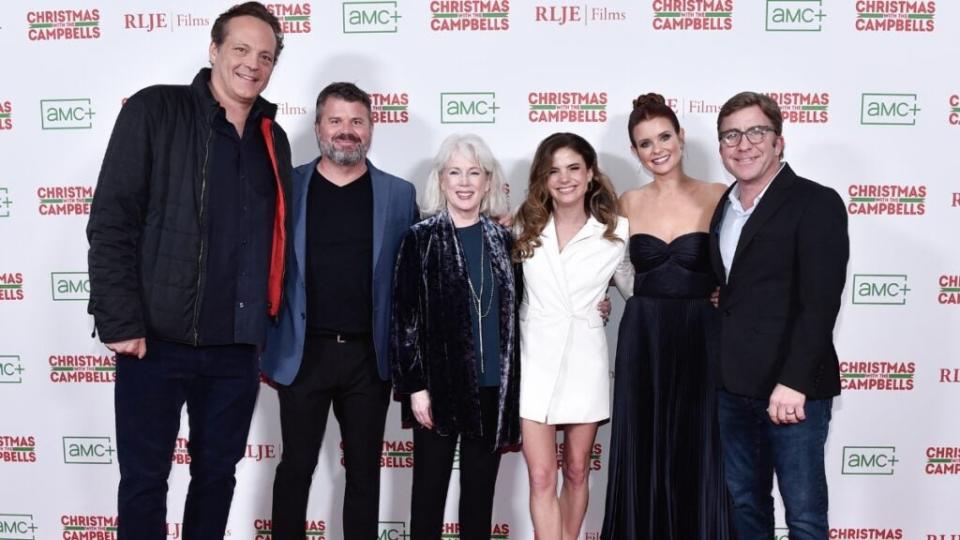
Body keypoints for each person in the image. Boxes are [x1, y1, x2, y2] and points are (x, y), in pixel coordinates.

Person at [86, 3, 290, 538]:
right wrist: (120, 321)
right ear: (214, 49)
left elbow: (275, 237)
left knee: (217, 478)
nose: (252, 64)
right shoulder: (156, 110)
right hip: (155, 339)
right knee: (145, 481)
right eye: (241, 49)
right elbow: (112, 220)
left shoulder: (273, 135)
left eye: (265, 56)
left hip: (236, 347)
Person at [260, 82, 418, 539]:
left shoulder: (399, 195)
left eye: (356, 121)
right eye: (336, 120)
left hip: (369, 359)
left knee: (365, 474)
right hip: (302, 353)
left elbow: (419, 270)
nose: (346, 131)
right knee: (296, 469)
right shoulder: (287, 186)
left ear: (371, 129)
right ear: (317, 128)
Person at [708, 91, 848, 540]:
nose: (742, 144)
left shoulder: (816, 202)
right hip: (733, 388)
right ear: (721, 147)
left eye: (755, 132)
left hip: (792, 392)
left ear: (778, 141)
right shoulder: (724, 207)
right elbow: (739, 283)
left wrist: (795, 383)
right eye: (731, 135)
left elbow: (820, 302)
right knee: (745, 505)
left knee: (803, 514)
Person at [601, 93, 734, 539]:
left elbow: (745, 262)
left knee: (701, 445)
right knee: (645, 443)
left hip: (703, 334)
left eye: (663, 137)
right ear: (634, 152)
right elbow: (611, 267)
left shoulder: (719, 196)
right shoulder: (627, 202)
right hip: (645, 336)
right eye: (644, 143)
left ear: (681, 137)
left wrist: (728, 296)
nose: (657, 149)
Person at [391, 134, 520, 540]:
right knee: (428, 497)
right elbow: (404, 319)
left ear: (487, 182)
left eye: (474, 173)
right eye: (455, 173)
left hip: (490, 389)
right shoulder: (421, 238)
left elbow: (527, 307)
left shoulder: (504, 241)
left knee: (479, 500)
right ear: (442, 181)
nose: (464, 182)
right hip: (438, 391)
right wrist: (415, 388)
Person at [514, 132, 632, 540]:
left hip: (586, 359)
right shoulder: (521, 227)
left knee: (578, 469)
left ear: (591, 174)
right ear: (542, 179)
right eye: (553, 171)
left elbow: (638, 290)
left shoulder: (616, 232)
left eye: (573, 168)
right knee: (542, 475)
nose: (564, 179)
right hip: (534, 361)